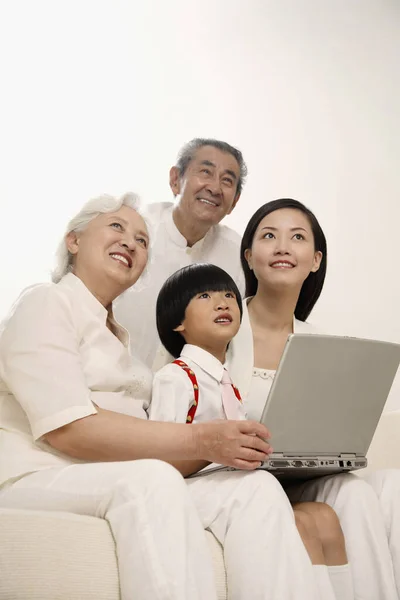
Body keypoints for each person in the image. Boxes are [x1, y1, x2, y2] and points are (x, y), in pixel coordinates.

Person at [0, 192, 324, 600]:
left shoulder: (121, 342)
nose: (131, 243)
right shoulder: (46, 302)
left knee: (254, 489)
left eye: (142, 240)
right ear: (74, 240)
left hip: (114, 471)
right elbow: (69, 428)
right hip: (38, 471)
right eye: (116, 227)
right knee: (152, 480)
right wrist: (203, 440)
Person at [150, 262, 353, 600]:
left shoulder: (229, 382)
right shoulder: (176, 377)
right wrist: (218, 451)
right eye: (205, 296)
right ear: (178, 323)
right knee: (272, 498)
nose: (223, 302)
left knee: (322, 515)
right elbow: (162, 460)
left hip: (235, 483)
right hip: (193, 490)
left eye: (229, 294)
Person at [227, 198, 398, 600]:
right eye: (269, 236)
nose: (283, 246)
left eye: (297, 237)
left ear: (315, 259)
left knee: (361, 491)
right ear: (249, 257)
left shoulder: (322, 345)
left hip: (303, 477)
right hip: (238, 479)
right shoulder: (220, 329)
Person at [114, 138, 246, 370]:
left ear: (234, 201)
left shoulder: (239, 255)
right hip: (112, 385)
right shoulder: (136, 230)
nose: (214, 188)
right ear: (176, 180)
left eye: (227, 180)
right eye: (205, 172)